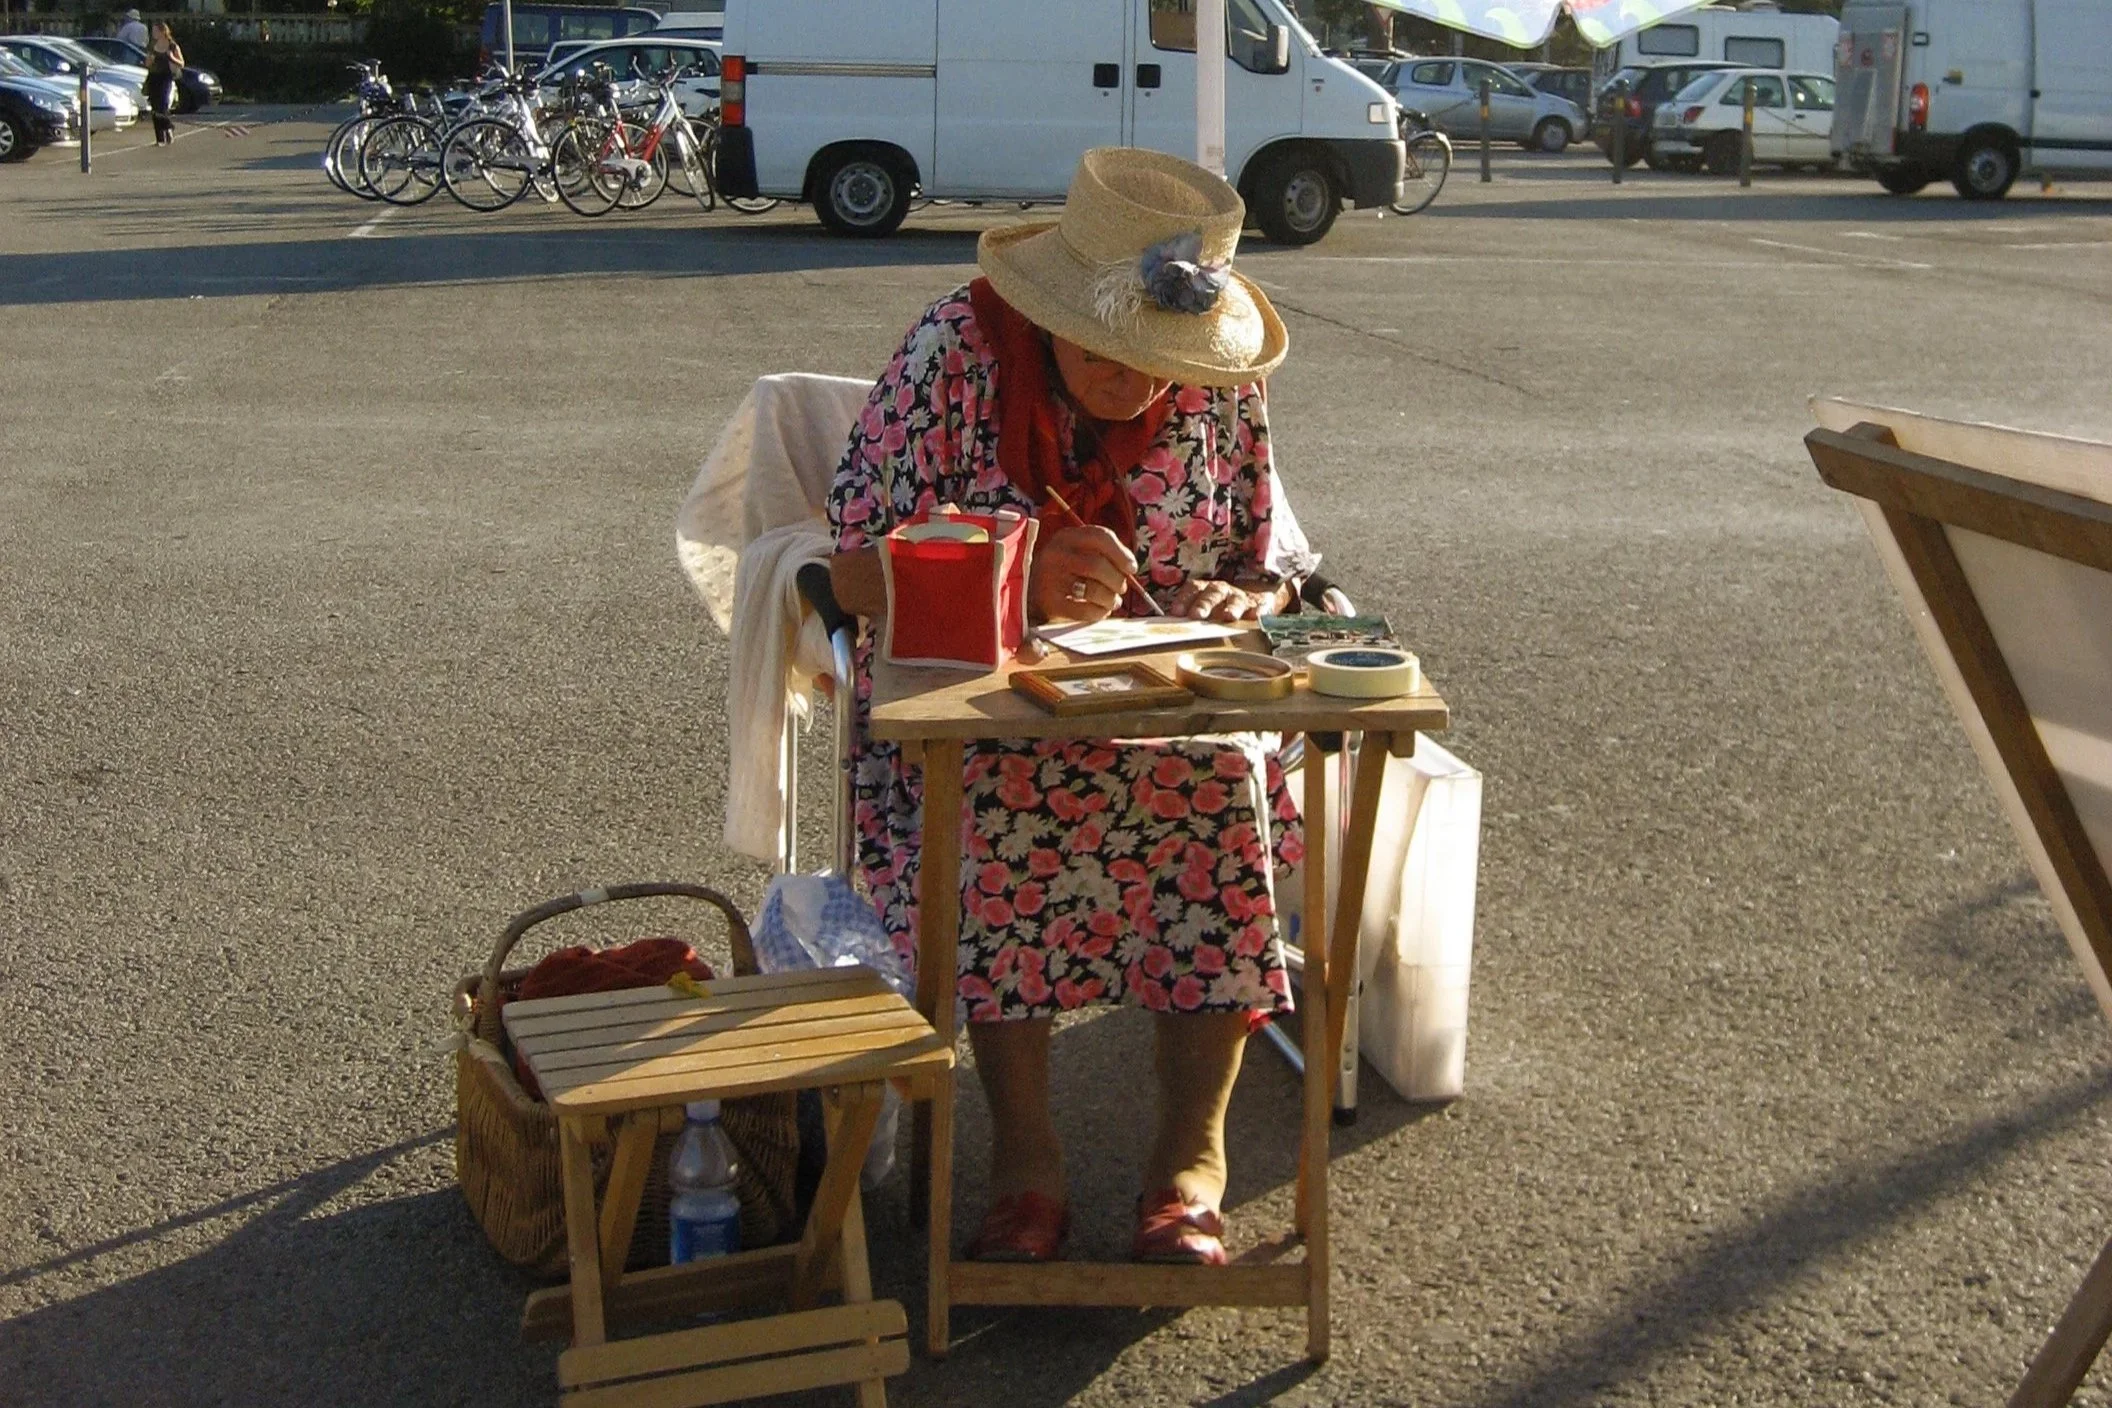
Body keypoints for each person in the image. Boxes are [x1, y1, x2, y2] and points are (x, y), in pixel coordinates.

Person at [824, 148, 1317, 1267]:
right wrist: (1018, 566)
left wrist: (1250, 591)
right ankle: (1026, 1160)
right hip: (979, 721)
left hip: (1167, 719)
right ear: (1050, 313)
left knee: (1219, 779)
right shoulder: (954, 353)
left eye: (1167, 361)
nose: (1146, 383)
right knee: (1001, 787)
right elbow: (847, 573)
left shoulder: (1221, 383)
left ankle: (1191, 1161)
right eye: (1116, 351)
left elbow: (1270, 553)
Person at [143, 22, 182, 146]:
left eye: (155, 31)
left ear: (163, 31)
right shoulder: (152, 46)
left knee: (163, 105)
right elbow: (147, 64)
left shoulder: (172, 46)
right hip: (153, 77)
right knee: (154, 107)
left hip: (166, 78)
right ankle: (160, 138)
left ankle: (168, 128)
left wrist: (171, 57)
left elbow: (182, 63)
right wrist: (150, 60)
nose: (153, 33)